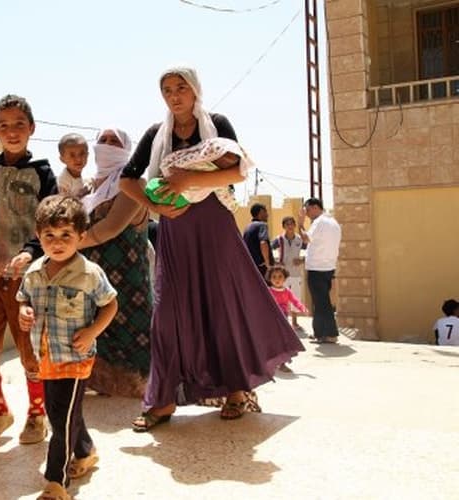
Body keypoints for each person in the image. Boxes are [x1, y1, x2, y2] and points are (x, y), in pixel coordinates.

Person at [117, 65, 304, 428]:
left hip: (215, 225)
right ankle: (162, 401)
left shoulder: (217, 125)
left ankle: (235, 391)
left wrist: (189, 178)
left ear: (195, 90)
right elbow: (128, 179)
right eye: (167, 90)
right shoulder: (156, 134)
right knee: (167, 315)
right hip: (175, 229)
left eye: (181, 87)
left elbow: (238, 171)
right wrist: (156, 207)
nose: (174, 96)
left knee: (222, 308)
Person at [0, 94, 58, 450]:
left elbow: (50, 222)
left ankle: (37, 414)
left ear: (31, 128)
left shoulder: (43, 174)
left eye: (19, 124)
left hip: (28, 281)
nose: (12, 131)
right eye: (4, 125)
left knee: (31, 349)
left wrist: (30, 252)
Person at [17, 195, 118, 500]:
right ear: (38, 235)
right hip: (46, 357)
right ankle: (85, 451)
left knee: (60, 421)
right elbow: (23, 298)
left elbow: (110, 305)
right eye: (49, 235)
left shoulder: (89, 273)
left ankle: (56, 483)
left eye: (66, 235)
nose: (57, 242)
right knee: (63, 412)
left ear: (81, 236)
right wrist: (24, 311)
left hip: (75, 358)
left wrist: (92, 332)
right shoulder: (34, 272)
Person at [79, 128, 152, 398]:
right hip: (92, 281)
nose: (107, 145)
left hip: (128, 283)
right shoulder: (88, 189)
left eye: (115, 142)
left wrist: (68, 244)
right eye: (103, 140)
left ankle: (144, 389)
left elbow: (109, 227)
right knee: (95, 332)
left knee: (134, 337)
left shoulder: (133, 184)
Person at [298, 197, 342, 344]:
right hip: (328, 267)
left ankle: (330, 334)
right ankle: (320, 333)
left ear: (315, 207)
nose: (307, 214)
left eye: (308, 210)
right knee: (322, 301)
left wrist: (300, 224)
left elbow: (305, 238)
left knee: (321, 303)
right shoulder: (333, 222)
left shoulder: (319, 222)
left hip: (317, 268)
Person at [271, 216, 307, 329]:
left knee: (295, 297)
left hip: (296, 273)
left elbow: (309, 252)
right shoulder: (278, 240)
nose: (290, 226)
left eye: (291, 224)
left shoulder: (300, 240)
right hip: (282, 276)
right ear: (283, 226)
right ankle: (282, 321)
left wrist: (302, 260)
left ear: (295, 225)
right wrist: (277, 262)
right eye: (287, 224)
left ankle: (294, 322)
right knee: (281, 298)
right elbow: (270, 252)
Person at [57, 133, 91, 197]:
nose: (78, 159)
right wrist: (81, 195)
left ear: (87, 155)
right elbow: (64, 202)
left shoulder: (87, 177)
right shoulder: (63, 182)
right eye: (72, 155)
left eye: (82, 153)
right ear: (62, 159)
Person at [243, 203, 271, 278]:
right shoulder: (262, 225)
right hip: (261, 267)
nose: (267, 215)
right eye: (265, 212)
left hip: (250, 265)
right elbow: (263, 242)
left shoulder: (247, 227)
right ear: (261, 212)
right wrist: (267, 263)